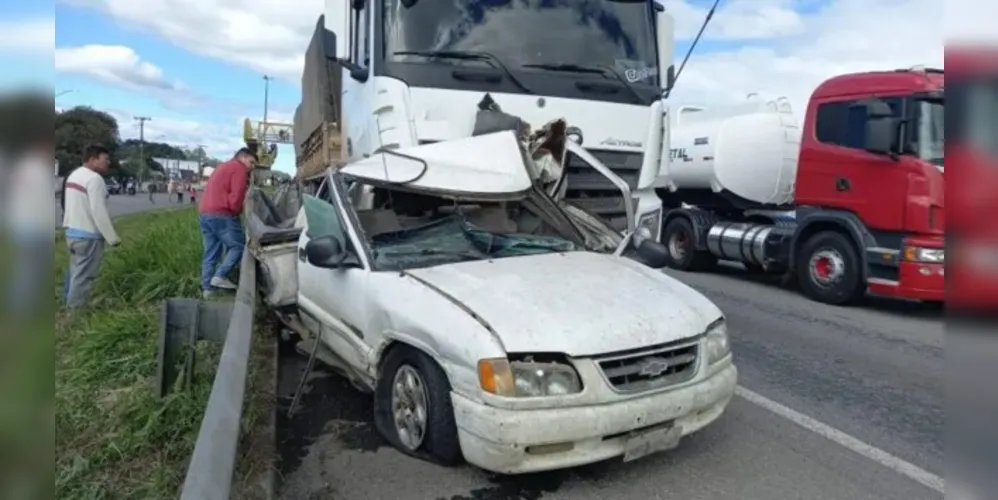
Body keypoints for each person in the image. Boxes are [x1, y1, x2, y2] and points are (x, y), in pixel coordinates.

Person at [63, 144, 120, 308]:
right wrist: (113, 238)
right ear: (93, 159)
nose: (107, 163)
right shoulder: (95, 179)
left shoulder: (75, 175)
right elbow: (98, 210)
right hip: (88, 235)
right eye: (105, 159)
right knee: (84, 277)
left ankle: (67, 304)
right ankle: (75, 316)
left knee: (75, 273)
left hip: (72, 232)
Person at [5, 132, 55, 315]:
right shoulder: (37, 170)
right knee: (30, 269)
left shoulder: (25, 168)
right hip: (34, 227)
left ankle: (25, 303)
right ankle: (22, 308)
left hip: (25, 227)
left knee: (28, 268)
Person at [199, 148, 256, 297]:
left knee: (211, 252)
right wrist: (237, 212)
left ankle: (207, 290)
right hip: (223, 213)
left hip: (205, 213)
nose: (252, 166)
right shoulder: (239, 168)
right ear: (242, 158)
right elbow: (236, 195)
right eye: (251, 162)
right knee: (238, 246)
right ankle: (220, 276)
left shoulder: (221, 167)